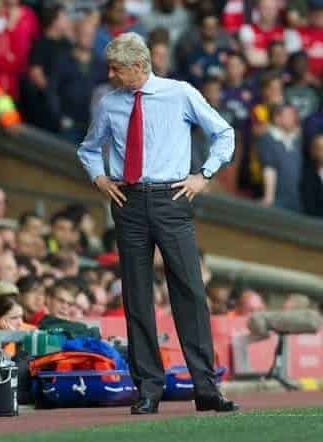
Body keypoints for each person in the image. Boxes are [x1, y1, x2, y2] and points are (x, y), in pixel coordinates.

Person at [77, 32, 239, 414]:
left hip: (173, 198)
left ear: (138, 65)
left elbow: (224, 133)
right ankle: (148, 388)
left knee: (190, 291)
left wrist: (205, 175)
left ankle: (206, 387)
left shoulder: (180, 93)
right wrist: (99, 178)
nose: (111, 75)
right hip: (128, 202)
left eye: (116, 68)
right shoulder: (108, 102)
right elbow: (87, 147)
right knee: (136, 295)